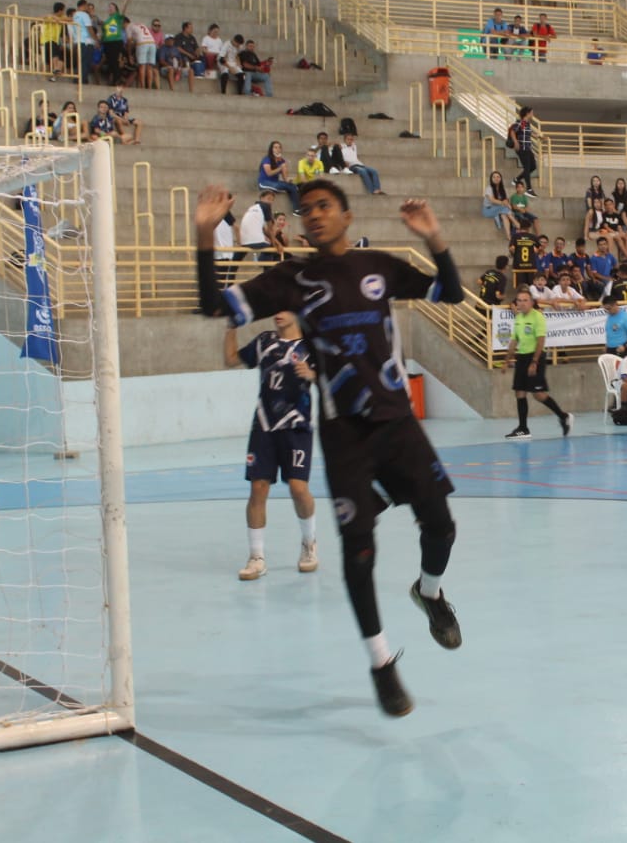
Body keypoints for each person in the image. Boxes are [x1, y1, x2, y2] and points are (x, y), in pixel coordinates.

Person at [193, 181, 467, 717]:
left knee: (441, 525)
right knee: (358, 551)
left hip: (398, 425)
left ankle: (430, 594)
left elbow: (451, 292)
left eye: (323, 207)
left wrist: (435, 238)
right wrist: (205, 232)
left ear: (346, 214)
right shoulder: (291, 279)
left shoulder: (380, 265)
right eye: (305, 210)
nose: (313, 216)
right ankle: (382, 664)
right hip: (344, 437)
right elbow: (210, 303)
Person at [223, 312, 319, 581]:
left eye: (284, 308)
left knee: (299, 489)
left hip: (297, 427)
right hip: (263, 426)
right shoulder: (265, 342)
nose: (277, 314)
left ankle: (309, 543)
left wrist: (312, 374)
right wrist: (230, 327)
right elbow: (230, 360)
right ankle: (256, 557)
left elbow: (332, 380)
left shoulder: (312, 346)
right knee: (258, 487)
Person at [504, 288, 574, 440]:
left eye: (524, 300)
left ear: (531, 302)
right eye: (519, 300)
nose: (521, 303)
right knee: (519, 392)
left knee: (538, 394)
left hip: (535, 357)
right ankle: (523, 428)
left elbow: (541, 341)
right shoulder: (518, 318)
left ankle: (563, 416)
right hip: (521, 357)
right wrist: (507, 359)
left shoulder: (538, 317)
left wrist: (534, 362)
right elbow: (514, 340)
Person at [509, 106, 538, 193]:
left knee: (533, 166)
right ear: (527, 113)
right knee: (527, 167)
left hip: (528, 148)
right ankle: (529, 189)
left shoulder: (527, 124)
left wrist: (538, 136)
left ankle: (516, 179)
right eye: (532, 113)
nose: (533, 115)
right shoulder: (522, 122)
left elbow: (528, 133)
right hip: (522, 148)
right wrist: (515, 142)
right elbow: (513, 131)